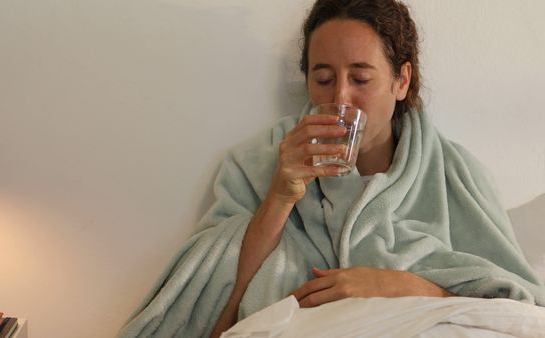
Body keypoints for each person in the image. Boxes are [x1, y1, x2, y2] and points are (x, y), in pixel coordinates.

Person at [118, 1, 545, 337]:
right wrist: (281, 197)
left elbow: (519, 307)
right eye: (323, 78)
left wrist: (404, 285)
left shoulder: (457, 175)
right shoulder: (259, 162)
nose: (340, 97)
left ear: (401, 81)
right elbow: (217, 312)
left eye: (360, 79)